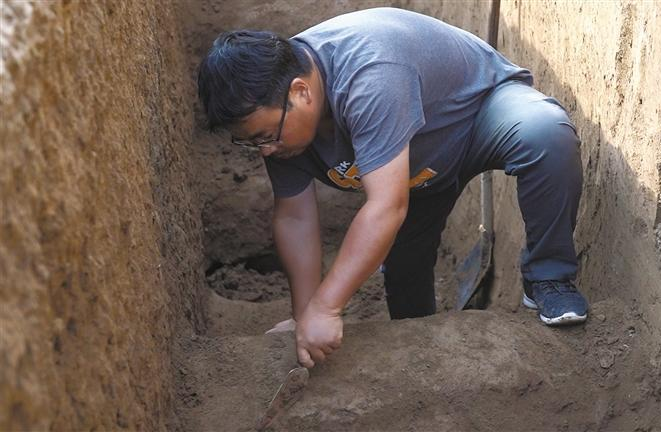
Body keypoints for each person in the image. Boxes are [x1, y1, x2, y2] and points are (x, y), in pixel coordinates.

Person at [197, 7, 588, 368]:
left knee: (544, 133)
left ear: (301, 92)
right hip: (416, 172)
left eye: (266, 136)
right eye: (252, 142)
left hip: (475, 115)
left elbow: (385, 205)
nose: (265, 150)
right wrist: (305, 316)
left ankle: (549, 279)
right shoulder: (280, 121)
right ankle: (425, 363)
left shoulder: (369, 74)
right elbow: (295, 216)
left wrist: (327, 307)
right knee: (405, 279)